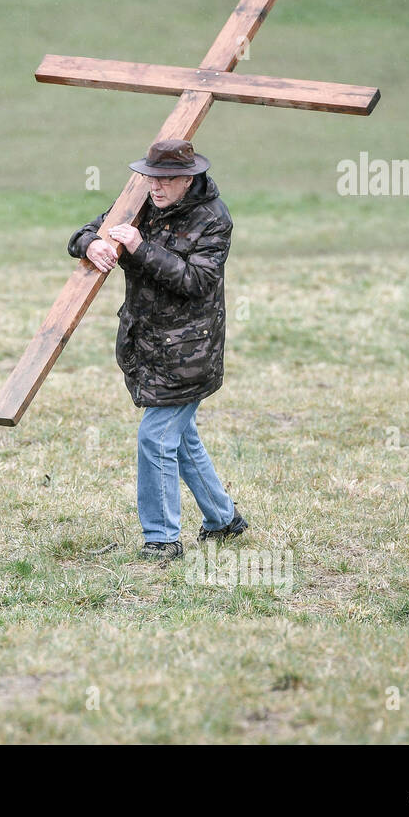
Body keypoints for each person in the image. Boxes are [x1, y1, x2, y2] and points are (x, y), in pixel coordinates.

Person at [67, 139, 248, 564]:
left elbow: (195, 283)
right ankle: (224, 520)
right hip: (146, 347)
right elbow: (86, 231)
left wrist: (140, 248)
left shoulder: (214, 219)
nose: (156, 187)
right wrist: (90, 243)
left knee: (155, 437)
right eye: (151, 177)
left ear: (188, 178)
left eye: (166, 180)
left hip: (191, 353)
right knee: (180, 440)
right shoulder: (139, 203)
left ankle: (162, 538)